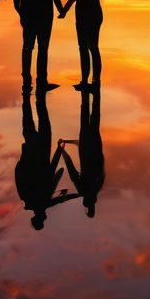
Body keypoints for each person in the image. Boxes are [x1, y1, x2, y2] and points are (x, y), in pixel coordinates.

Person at [15, 86, 77, 230]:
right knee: (30, 119)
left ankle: (37, 92)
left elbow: (52, 172)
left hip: (39, 149)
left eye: (42, 219)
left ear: (39, 218)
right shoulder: (27, 199)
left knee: (40, 118)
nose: (45, 217)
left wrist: (59, 149)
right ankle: (29, 92)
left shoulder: (43, 201)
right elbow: (18, 170)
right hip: (33, 151)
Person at [13, 0, 64, 91]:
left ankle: (26, 81)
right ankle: (42, 81)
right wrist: (62, 11)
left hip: (28, 15)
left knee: (27, 47)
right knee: (43, 48)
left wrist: (20, 11)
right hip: (45, 17)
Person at [59, 0, 105, 89]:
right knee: (94, 47)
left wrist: (64, 11)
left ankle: (84, 80)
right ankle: (96, 81)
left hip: (83, 15)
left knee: (83, 47)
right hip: (96, 13)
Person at [59, 86, 104, 218]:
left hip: (95, 144)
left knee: (94, 114)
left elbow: (101, 161)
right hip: (86, 147)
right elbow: (71, 169)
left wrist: (67, 143)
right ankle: (85, 89)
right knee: (85, 114)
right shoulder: (83, 190)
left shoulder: (98, 186)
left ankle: (94, 89)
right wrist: (63, 151)